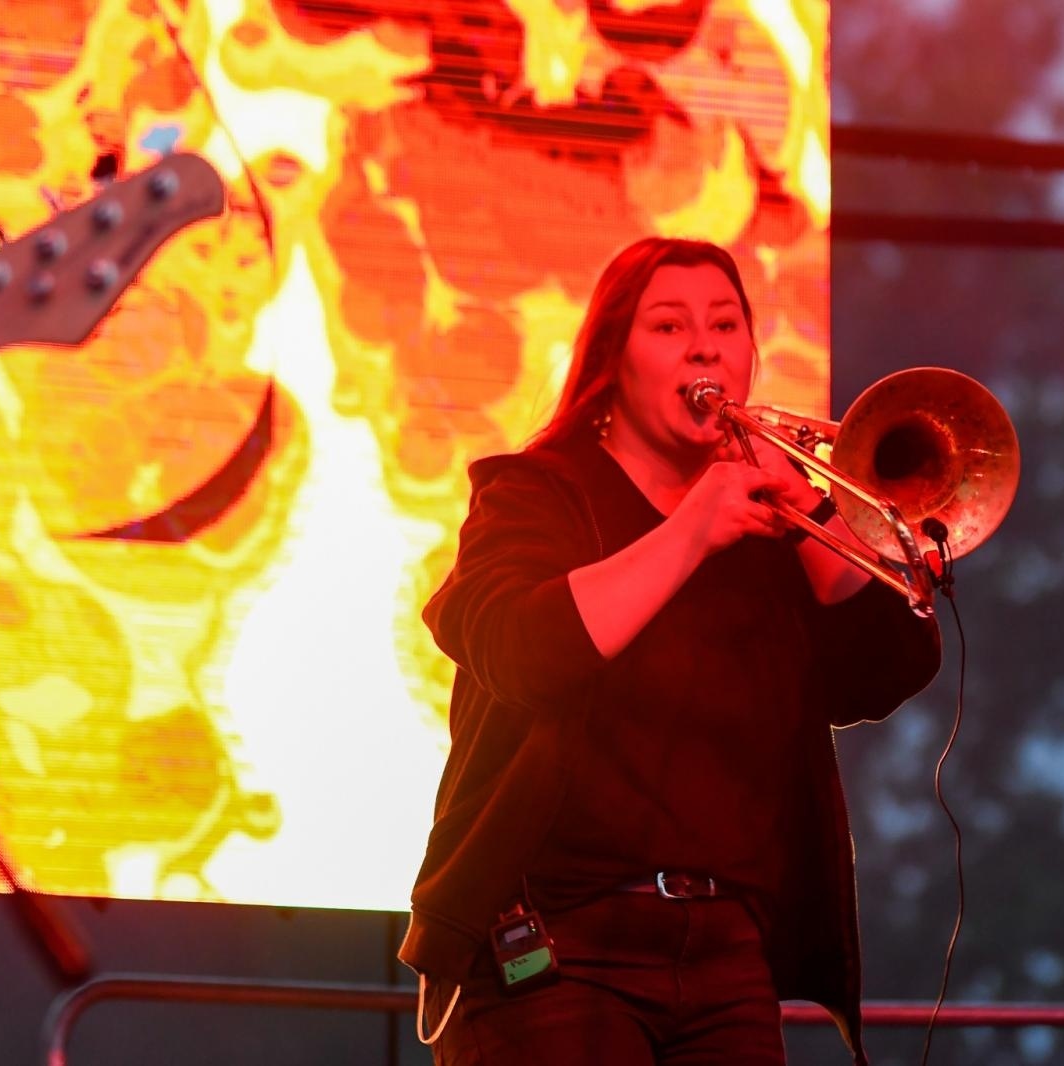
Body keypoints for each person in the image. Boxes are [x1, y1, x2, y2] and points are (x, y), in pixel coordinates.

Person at [399, 236, 943, 1065]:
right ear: (613, 358)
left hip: (726, 951)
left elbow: (890, 664)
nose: (704, 346)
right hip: (556, 937)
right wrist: (693, 528)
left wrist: (810, 507)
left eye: (726, 325)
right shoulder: (538, 492)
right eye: (669, 326)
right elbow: (519, 653)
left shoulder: (770, 529)